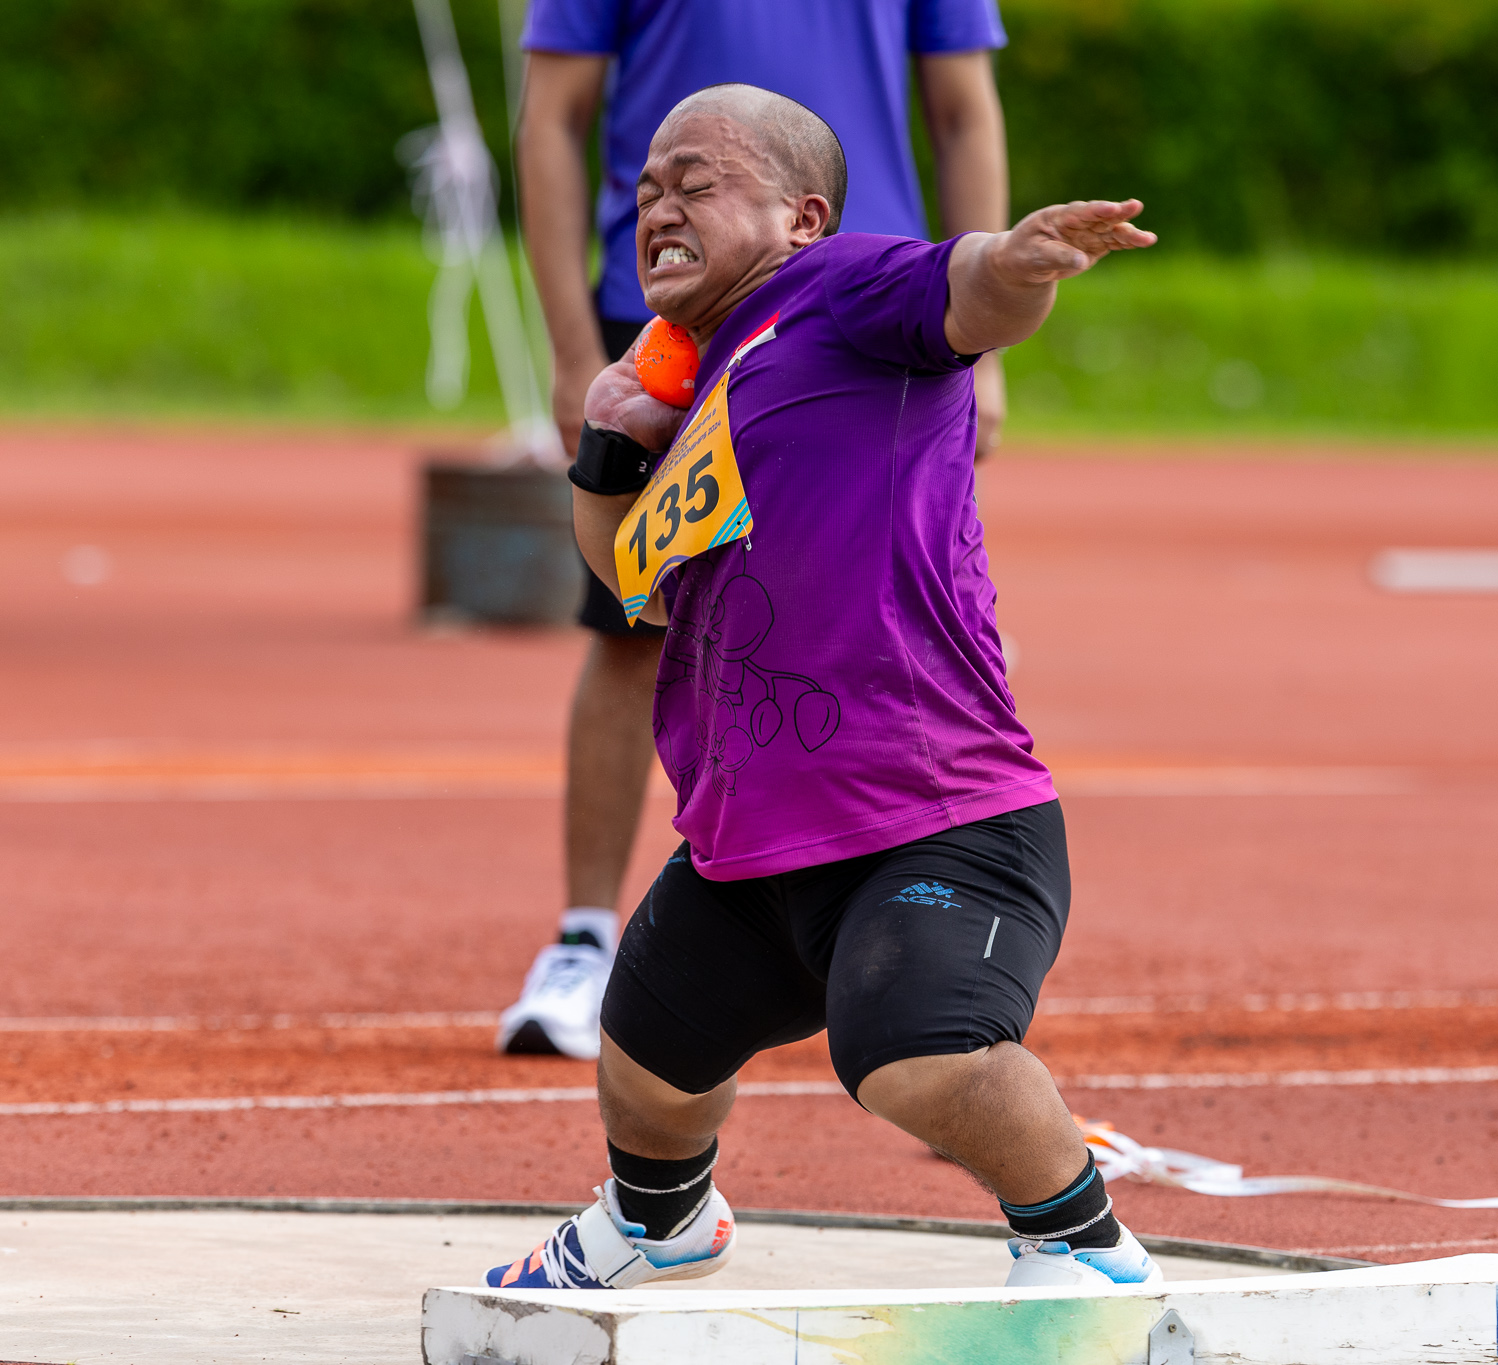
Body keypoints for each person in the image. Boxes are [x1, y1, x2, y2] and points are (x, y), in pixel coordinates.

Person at [484, 85, 1160, 1290]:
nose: (657, 207)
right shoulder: (694, 383)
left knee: (918, 1057)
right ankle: (658, 1223)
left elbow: (968, 296)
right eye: (643, 190)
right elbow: (633, 577)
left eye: (695, 182)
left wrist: (1017, 261)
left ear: (800, 218)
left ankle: (1083, 1246)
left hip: (936, 817)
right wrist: (607, 446)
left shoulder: (844, 289)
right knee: (642, 1059)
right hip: (750, 839)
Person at [500, 0, 1013, 1058]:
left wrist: (989, 344)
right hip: (672, 305)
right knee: (635, 618)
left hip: (869, 301)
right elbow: (551, 115)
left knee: (867, 598)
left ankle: (924, 944)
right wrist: (566, 347)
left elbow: (963, 109)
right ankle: (587, 938)